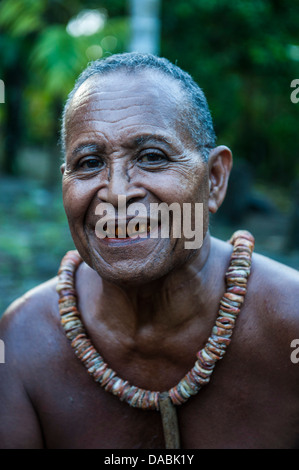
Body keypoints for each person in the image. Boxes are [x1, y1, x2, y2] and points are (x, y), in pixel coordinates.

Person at [0, 52, 299, 450]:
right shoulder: (23, 342)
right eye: (89, 163)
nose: (118, 193)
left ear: (214, 179)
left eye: (152, 157)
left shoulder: (290, 324)